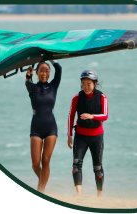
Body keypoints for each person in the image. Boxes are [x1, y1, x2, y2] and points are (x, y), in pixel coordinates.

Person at [67, 69, 108, 197]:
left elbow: (105, 115)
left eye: (88, 84)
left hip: (97, 137)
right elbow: (71, 115)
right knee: (76, 164)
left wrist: (91, 116)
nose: (86, 87)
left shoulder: (102, 97)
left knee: (97, 167)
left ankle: (99, 195)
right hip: (81, 137)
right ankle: (78, 193)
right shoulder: (76, 98)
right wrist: (69, 135)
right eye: (83, 83)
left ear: (95, 83)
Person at [25, 60, 62, 193]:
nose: (44, 73)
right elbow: (27, 82)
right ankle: (43, 182)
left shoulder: (53, 86)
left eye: (47, 70)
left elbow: (59, 69)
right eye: (41, 70)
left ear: (49, 73)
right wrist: (28, 74)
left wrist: (50, 56)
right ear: (37, 73)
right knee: (36, 164)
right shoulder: (33, 88)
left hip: (51, 126)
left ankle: (41, 190)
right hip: (36, 127)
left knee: (45, 160)